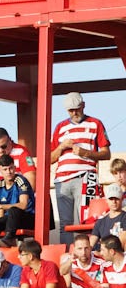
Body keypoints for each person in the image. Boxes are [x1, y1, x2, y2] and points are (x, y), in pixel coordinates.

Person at [52, 91, 111, 228]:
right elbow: (49, 158)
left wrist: (85, 153)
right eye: (70, 110)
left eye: (76, 109)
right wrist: (61, 147)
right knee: (64, 225)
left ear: (83, 106)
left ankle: (88, 249)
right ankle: (67, 249)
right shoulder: (60, 127)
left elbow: (106, 154)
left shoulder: (95, 123)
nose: (74, 113)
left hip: (86, 176)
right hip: (61, 179)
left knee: (87, 221)